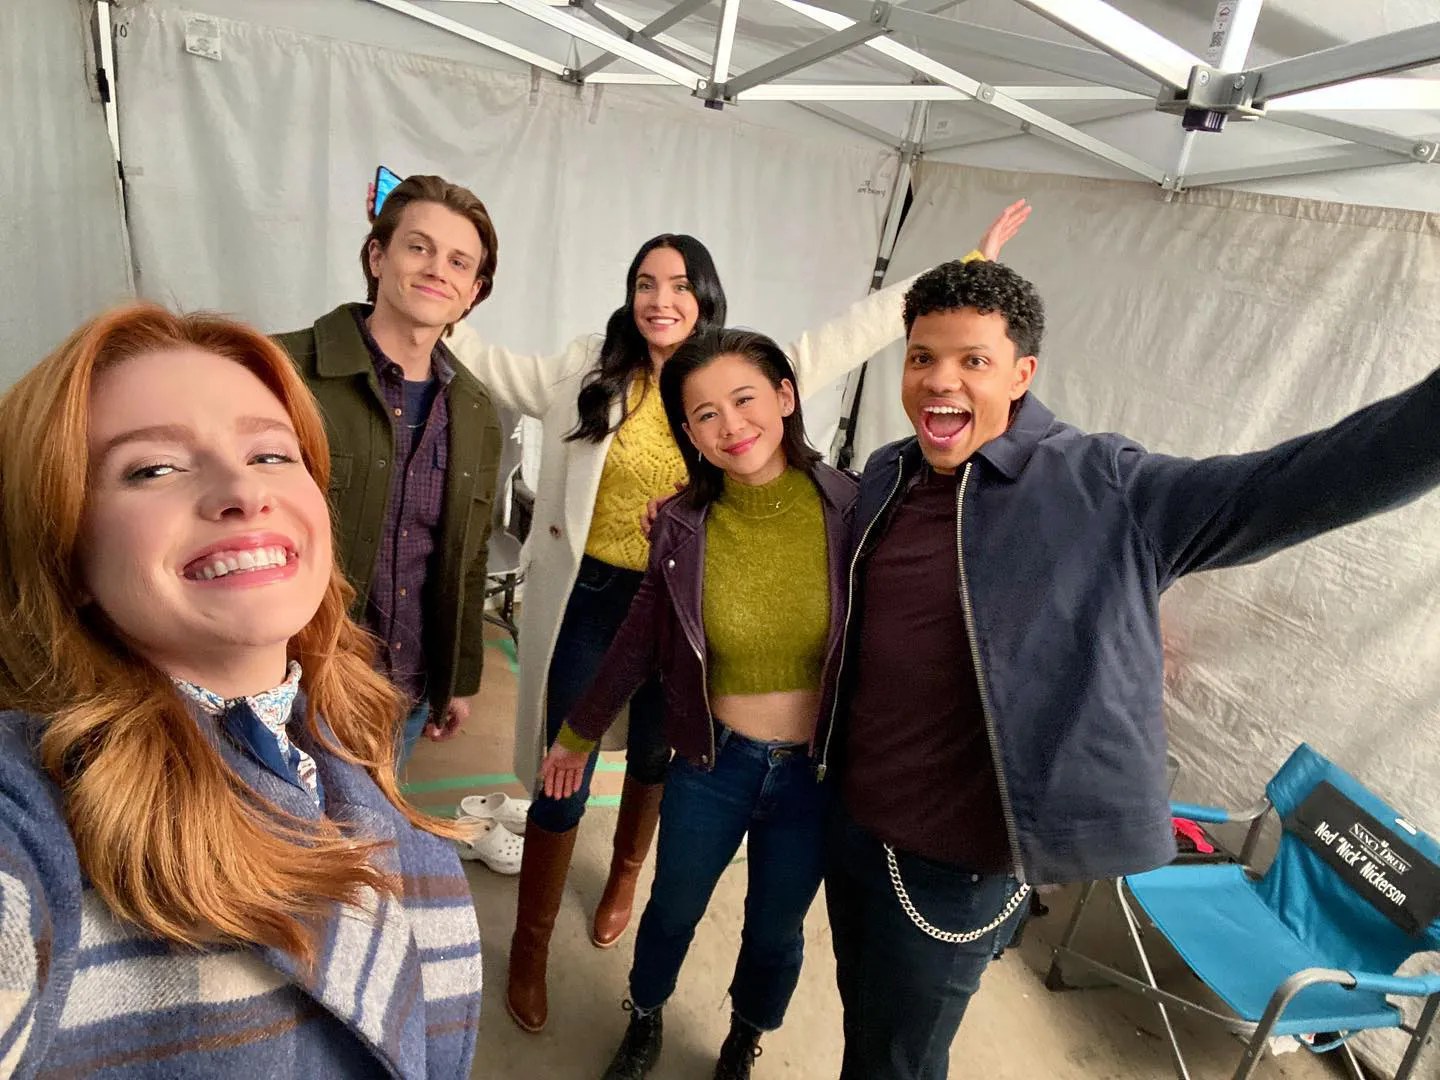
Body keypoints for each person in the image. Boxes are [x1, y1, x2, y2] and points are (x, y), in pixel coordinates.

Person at [818, 258, 1440, 1080]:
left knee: (898, 1062)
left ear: (1022, 374)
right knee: (862, 1024)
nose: (940, 381)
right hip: (852, 823)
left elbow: (1296, 483)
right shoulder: (890, 472)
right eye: (922, 357)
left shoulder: (1103, 485)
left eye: (973, 360)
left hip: (955, 865)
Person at [438, 201, 1032, 1033]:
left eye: (680, 285)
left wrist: (962, 267)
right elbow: (494, 367)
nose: (661, 299)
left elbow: (859, 329)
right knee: (560, 769)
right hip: (598, 598)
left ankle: (622, 881)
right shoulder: (588, 370)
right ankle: (530, 948)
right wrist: (437, 309)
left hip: (699, 611)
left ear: (707, 299)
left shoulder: (746, 373)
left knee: (658, 758)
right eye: (646, 284)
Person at [0, 303, 483, 1077]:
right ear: (64, 553)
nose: (242, 491)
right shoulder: (33, 809)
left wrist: (463, 671)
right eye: (153, 468)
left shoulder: (334, 743)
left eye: (271, 454)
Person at [538, 330, 854, 1079]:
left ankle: (745, 1036)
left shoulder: (850, 507)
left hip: (815, 775)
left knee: (776, 929)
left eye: (745, 400)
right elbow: (637, 639)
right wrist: (576, 734)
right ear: (688, 431)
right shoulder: (683, 524)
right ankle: (644, 1016)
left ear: (785, 396)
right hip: (715, 765)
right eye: (705, 414)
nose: (730, 426)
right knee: (673, 907)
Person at [278, 174, 505, 763]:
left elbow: (469, 555)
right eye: (419, 247)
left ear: (473, 291)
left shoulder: (475, 410)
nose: (437, 270)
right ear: (377, 257)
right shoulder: (282, 371)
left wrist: (459, 675)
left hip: (405, 692)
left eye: (459, 262)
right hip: (292, 687)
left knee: (376, 821)